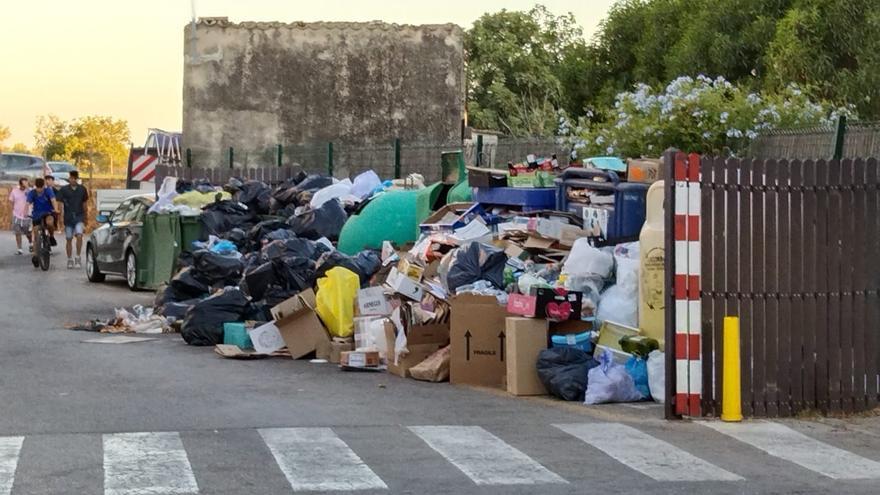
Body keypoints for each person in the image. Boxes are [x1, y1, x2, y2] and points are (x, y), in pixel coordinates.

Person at [57, 170, 89, 269]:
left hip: (79, 216)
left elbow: (85, 204)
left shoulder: (82, 189)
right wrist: (60, 218)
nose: (73, 180)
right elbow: (60, 204)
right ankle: (69, 259)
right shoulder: (64, 190)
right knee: (69, 238)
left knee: (79, 235)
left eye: (74, 178)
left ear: (77, 179)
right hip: (68, 217)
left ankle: (78, 257)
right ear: (69, 178)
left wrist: (86, 218)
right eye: (71, 178)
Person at [27, 178, 58, 250]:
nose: (39, 189)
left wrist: (56, 209)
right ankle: (35, 247)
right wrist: (25, 212)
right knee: (35, 230)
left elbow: (53, 200)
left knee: (50, 223)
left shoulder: (48, 191)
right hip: (36, 213)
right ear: (35, 186)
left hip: (48, 212)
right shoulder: (32, 193)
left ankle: (51, 236)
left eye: (41, 187)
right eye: (38, 187)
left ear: (44, 186)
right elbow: (27, 203)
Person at [7, 177, 32, 255]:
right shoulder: (14, 191)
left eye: (26, 183)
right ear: (20, 184)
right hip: (16, 215)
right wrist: (11, 213)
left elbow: (33, 197)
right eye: (23, 184)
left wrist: (27, 188)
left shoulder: (30, 191)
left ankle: (31, 243)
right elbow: (10, 202)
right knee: (17, 232)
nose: (25, 185)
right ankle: (19, 249)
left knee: (28, 232)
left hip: (27, 215)